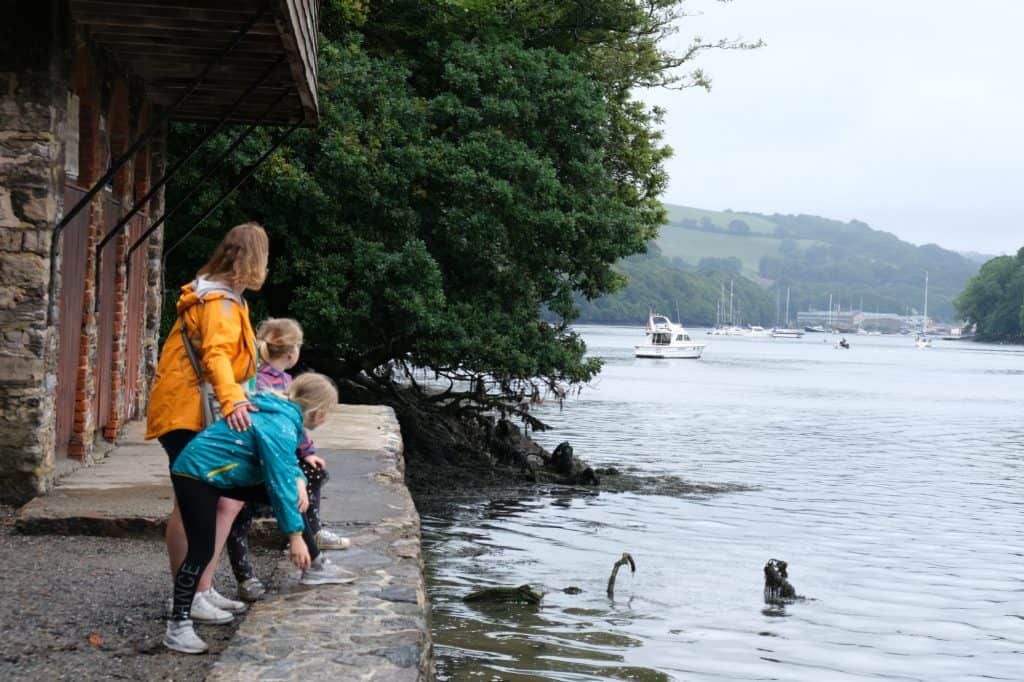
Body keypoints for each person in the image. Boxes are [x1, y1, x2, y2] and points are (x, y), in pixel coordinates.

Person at [163, 373, 355, 654]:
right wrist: (294, 537)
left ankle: (315, 567)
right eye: (328, 416)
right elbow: (278, 479)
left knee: (296, 490)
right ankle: (178, 626)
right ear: (318, 413)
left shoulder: (283, 414)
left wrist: (298, 480)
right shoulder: (282, 424)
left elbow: (285, 464)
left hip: (220, 475)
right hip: (196, 475)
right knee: (201, 548)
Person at [146, 222, 268, 625]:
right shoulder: (220, 303)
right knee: (190, 504)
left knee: (207, 501)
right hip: (187, 412)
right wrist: (233, 400)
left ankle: (201, 588)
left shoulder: (224, 297)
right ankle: (189, 597)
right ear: (256, 258)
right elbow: (215, 354)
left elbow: (232, 358)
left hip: (193, 409)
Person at [226, 318, 351, 601]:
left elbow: (294, 429)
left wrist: (306, 454)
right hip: (251, 457)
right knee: (242, 515)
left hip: (264, 454)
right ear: (292, 352)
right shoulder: (259, 379)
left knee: (310, 477)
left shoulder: (281, 380)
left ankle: (311, 534)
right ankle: (250, 574)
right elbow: (280, 434)